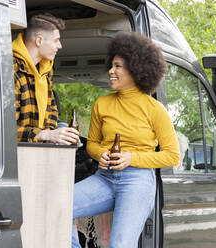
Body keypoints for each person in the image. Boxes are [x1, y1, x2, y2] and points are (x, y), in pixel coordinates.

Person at [72, 32, 180, 248]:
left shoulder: (155, 110)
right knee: (58, 205)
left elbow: (172, 155)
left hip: (137, 181)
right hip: (104, 177)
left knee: (119, 245)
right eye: (111, 66)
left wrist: (132, 158)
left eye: (118, 66)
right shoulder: (101, 104)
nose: (111, 71)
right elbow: (92, 144)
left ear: (136, 69)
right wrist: (99, 154)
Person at [13, 13, 79, 144]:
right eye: (56, 40)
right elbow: (3, 130)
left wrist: (53, 134)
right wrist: (45, 135)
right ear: (39, 41)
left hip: (37, 152)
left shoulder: (46, 71)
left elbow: (51, 113)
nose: (60, 46)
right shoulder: (11, 71)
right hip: (12, 156)